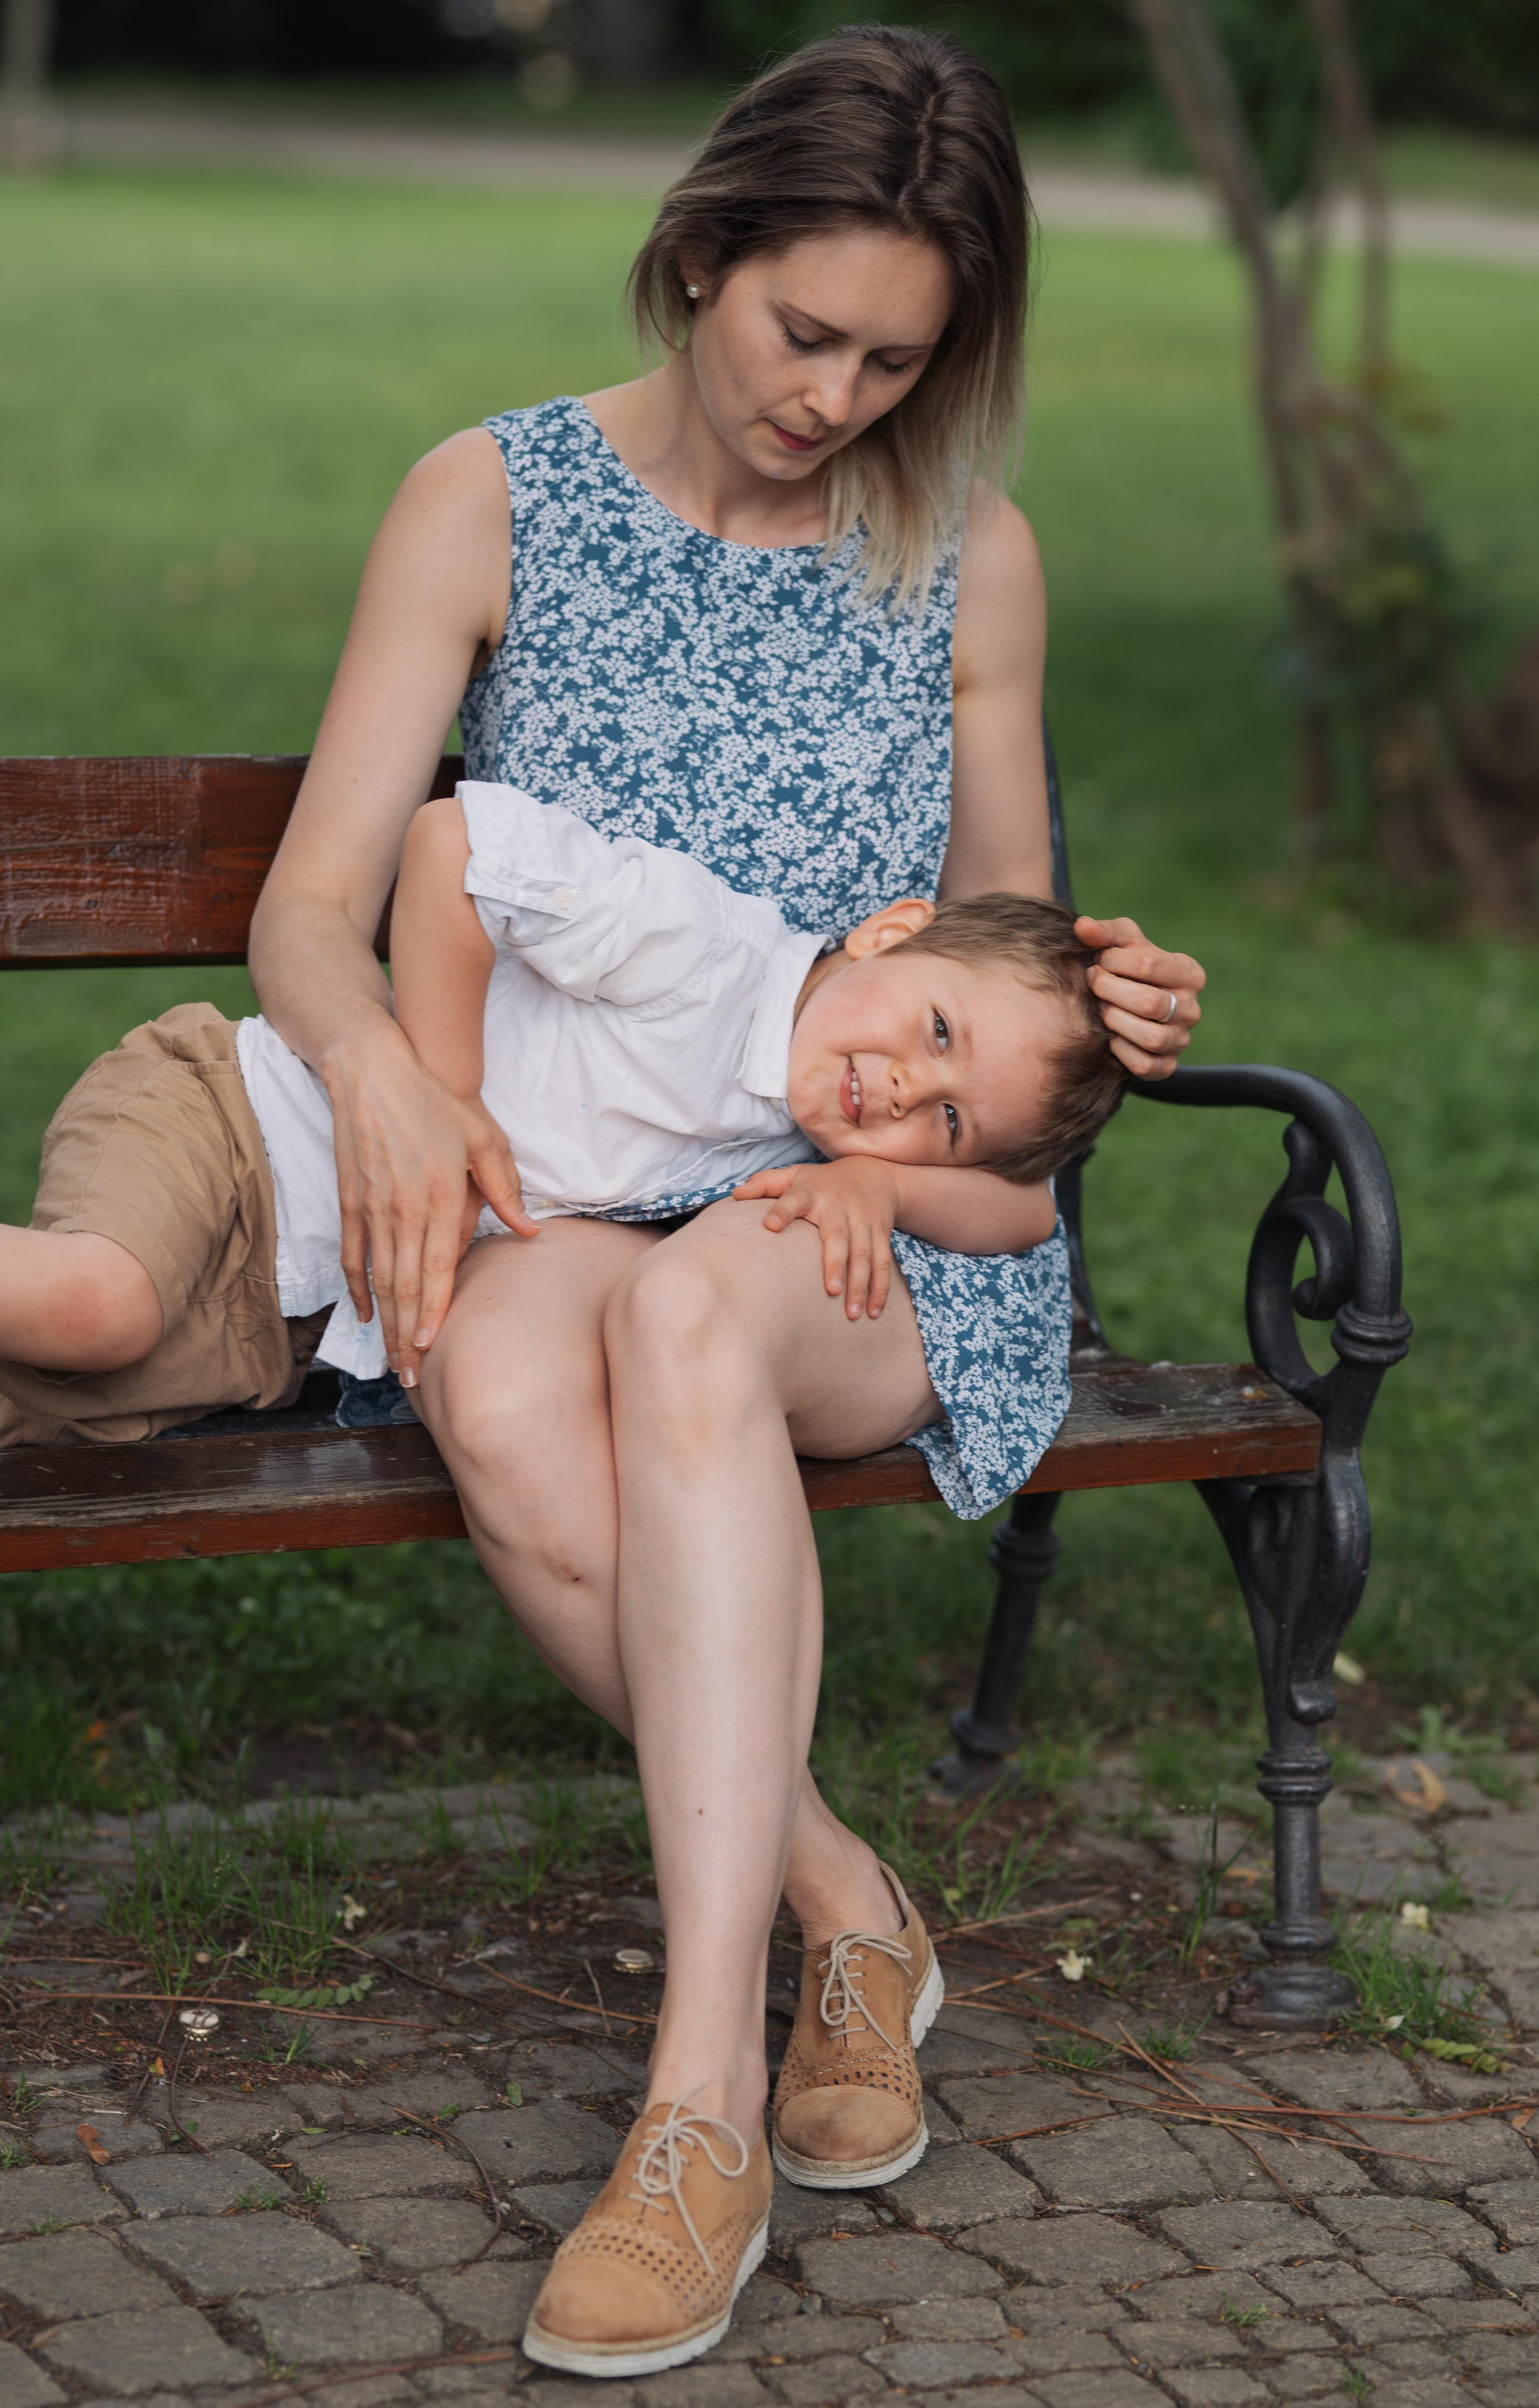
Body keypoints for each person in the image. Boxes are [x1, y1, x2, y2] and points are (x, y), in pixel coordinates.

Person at [37, 22, 1205, 2374]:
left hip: (856, 1217)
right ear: (699, 260)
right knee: (489, 1370)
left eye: (897, 360)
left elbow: (997, 955)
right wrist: (378, 1072)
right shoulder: (489, 500)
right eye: (804, 333)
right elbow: (319, 904)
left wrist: (1095, 1000)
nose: (835, 398)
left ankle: (697, 2109)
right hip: (580, 1169)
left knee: (687, 1326)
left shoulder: (969, 555)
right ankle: (848, 1900)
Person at [0, 780, 1127, 1441]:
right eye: (936, 1033)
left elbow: (1023, 1215)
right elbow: (455, 846)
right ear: (889, 932)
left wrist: (878, 1180)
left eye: (945, 1121)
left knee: (62, 1393)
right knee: (98, 1308)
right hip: (232, 1122)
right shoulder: (704, 951)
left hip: (283, 1311)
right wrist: (444, 1096)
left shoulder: (802, 1133)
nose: (899, 1091)